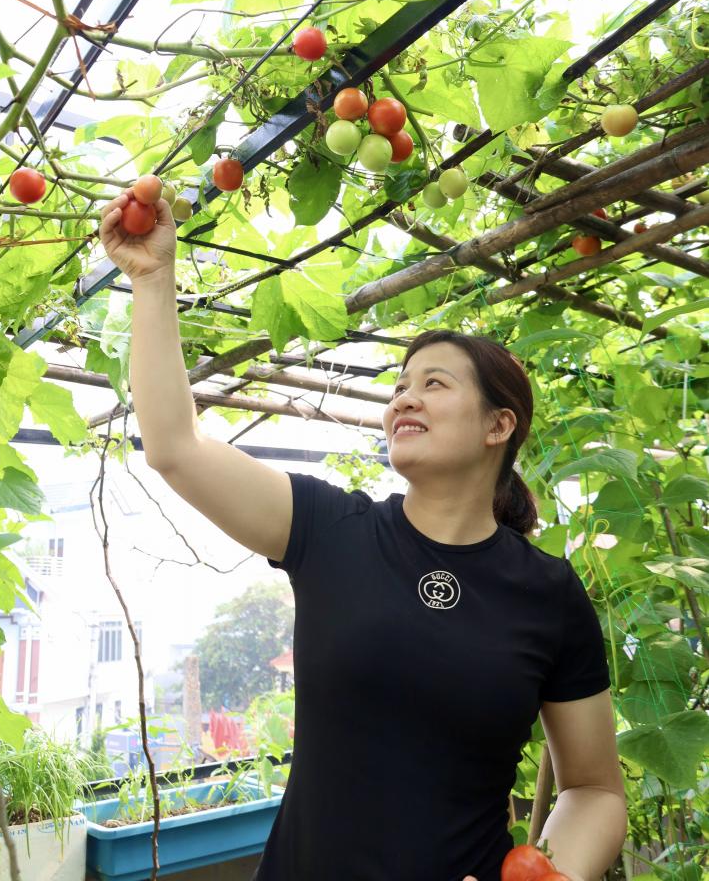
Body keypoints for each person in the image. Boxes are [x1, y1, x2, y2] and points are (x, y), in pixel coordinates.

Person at [100, 191, 618, 881]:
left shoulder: (548, 593)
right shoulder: (328, 530)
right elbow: (173, 446)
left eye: (433, 384)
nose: (403, 398)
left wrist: (561, 876)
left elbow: (592, 786)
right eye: (400, 385)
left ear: (499, 426)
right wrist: (151, 279)